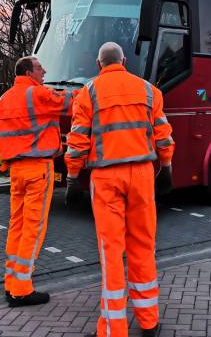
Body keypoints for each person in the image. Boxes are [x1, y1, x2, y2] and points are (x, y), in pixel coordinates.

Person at [65, 42, 175, 337]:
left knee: (111, 251)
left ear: (99, 64)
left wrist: (73, 178)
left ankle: (114, 329)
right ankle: (149, 321)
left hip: (106, 177)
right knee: (143, 246)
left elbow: (78, 141)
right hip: (142, 174)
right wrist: (166, 166)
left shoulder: (88, 92)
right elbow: (163, 134)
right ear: (124, 60)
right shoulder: (150, 91)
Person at [0, 56, 76, 307]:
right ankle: (22, 289)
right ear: (30, 72)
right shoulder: (36, 94)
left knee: (17, 226)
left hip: (16, 170)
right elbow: (69, 104)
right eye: (41, 68)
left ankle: (10, 284)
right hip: (38, 168)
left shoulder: (5, 98)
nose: (45, 71)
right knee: (34, 228)